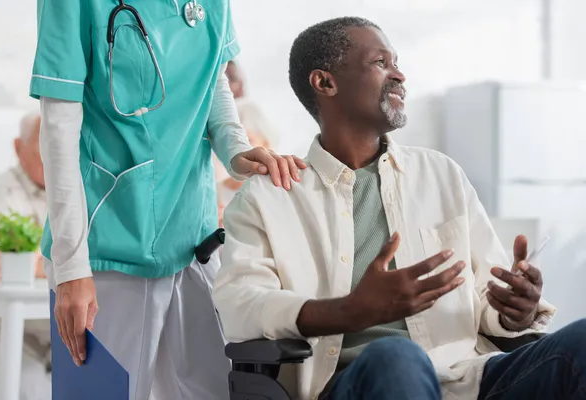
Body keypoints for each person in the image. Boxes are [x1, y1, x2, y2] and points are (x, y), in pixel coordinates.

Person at [213, 17, 586, 400]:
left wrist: (515, 311)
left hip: (468, 380)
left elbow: (486, 299)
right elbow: (240, 306)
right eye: (381, 63)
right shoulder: (270, 197)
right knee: (398, 357)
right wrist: (349, 311)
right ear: (325, 83)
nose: (400, 75)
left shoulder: (442, 174)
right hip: (359, 383)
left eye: (397, 62)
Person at [29, 2, 305, 400]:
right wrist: (72, 267)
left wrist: (236, 149)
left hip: (193, 239)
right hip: (105, 245)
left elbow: (215, 80)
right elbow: (58, 131)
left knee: (210, 392)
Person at [0, 112, 50, 400]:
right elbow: (1, 264)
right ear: (17, 147)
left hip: (57, 334)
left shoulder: (74, 191)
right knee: (30, 390)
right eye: (43, 146)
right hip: (6, 330)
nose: (54, 156)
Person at [216, 98, 278, 226]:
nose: (242, 149)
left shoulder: (274, 192)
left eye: (249, 140)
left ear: (266, 144)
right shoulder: (215, 190)